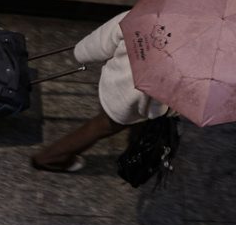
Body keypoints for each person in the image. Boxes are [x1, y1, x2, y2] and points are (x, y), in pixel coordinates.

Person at [31, 11, 168, 172]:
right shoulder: (186, 56)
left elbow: (107, 35)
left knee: (110, 122)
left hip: (113, 80)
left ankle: (139, 143)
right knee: (102, 127)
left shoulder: (149, 12)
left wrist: (81, 53)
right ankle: (50, 157)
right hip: (131, 101)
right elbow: (163, 96)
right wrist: (157, 113)